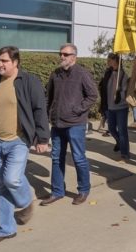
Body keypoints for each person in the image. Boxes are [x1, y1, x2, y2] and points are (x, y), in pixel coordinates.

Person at [0, 46, 50, 244]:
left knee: (11, 180)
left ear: (15, 62)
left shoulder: (28, 81)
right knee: (2, 186)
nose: (0, 64)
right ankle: (6, 229)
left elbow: (39, 110)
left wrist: (43, 138)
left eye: (4, 61)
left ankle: (26, 201)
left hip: (19, 141)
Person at [41, 43, 98, 206]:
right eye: (61, 54)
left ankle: (83, 190)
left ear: (74, 57)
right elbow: (48, 98)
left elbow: (92, 95)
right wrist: (46, 117)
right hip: (57, 124)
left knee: (79, 158)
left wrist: (77, 109)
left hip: (75, 124)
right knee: (56, 158)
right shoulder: (55, 74)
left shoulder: (82, 74)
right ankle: (57, 191)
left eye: (66, 54)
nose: (62, 57)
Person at [99, 53, 130, 160]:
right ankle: (119, 142)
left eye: (110, 60)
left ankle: (125, 153)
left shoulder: (123, 75)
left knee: (122, 131)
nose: (108, 62)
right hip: (109, 106)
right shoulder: (108, 73)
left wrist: (120, 94)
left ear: (116, 61)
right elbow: (103, 88)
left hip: (121, 107)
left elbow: (125, 91)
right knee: (111, 129)